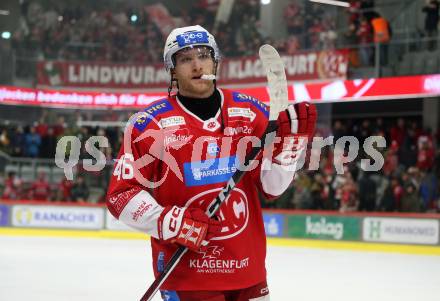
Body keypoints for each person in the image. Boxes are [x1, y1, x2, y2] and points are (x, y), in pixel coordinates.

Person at [106, 25, 317, 301]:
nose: (197, 65)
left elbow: (273, 187)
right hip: (187, 276)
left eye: (204, 55)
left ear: (215, 61)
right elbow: (120, 196)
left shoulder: (252, 112)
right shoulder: (148, 124)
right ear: (172, 69)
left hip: (248, 271)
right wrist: (169, 221)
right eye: (185, 59)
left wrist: (289, 151)